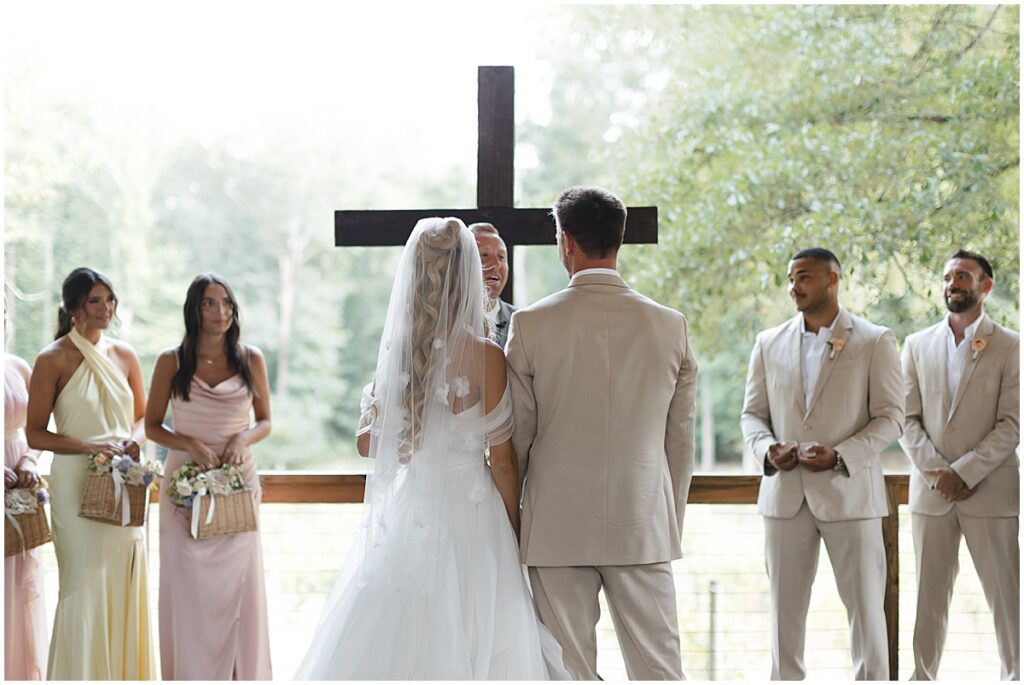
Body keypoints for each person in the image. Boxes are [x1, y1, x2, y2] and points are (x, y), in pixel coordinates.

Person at [294, 217, 568, 680]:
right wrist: (514, 530)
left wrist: (409, 440)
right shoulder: (485, 355)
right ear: (465, 275)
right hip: (474, 515)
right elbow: (501, 461)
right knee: (482, 636)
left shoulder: (398, 350)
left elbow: (367, 443)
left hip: (412, 510)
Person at [506, 186, 698, 680]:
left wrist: (516, 520)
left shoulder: (530, 325)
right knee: (660, 669)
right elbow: (680, 441)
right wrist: (665, 518)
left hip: (556, 526)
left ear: (565, 241)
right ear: (620, 238)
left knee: (568, 671)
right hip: (643, 522)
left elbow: (518, 439)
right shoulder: (669, 325)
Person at [740, 247, 904, 680]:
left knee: (867, 612)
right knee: (783, 615)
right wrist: (767, 450)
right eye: (792, 278)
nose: (794, 286)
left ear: (833, 279)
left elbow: (892, 418)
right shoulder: (767, 342)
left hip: (850, 495)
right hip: (784, 497)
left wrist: (842, 454)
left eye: (805, 277)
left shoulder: (875, 340)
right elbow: (752, 415)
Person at [25, 267, 157, 679]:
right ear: (73, 308)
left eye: (110, 299)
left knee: (122, 576)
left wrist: (132, 441)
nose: (106, 309)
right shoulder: (52, 359)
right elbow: (34, 434)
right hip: (73, 482)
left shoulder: (125, 355)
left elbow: (142, 417)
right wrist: (88, 446)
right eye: (95, 301)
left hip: (123, 481)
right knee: (82, 582)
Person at [145, 274, 273, 680]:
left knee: (241, 588)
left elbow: (266, 421)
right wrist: (187, 442)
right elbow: (150, 426)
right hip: (185, 484)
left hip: (237, 482)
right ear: (194, 310)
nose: (220, 312)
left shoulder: (251, 358)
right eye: (209, 303)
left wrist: (243, 436)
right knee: (187, 589)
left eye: (226, 303)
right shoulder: (172, 361)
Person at [899, 249, 1019, 680]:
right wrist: (939, 474)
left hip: (991, 493)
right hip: (932, 496)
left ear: (985, 286)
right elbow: (905, 419)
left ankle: (1015, 674)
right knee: (928, 599)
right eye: (948, 276)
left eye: (964, 276)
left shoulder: (1012, 345)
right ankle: (922, 676)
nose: (953, 283)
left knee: (1006, 597)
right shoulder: (914, 345)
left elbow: (1011, 424)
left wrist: (964, 472)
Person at [5, 345, 47, 680]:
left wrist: (30, 460)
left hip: (18, 482)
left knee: (18, 583)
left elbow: (39, 425)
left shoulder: (19, 366)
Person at [469, 222, 517, 349]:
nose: (496, 265)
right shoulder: (445, 320)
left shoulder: (524, 321)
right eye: (484, 255)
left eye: (501, 257)